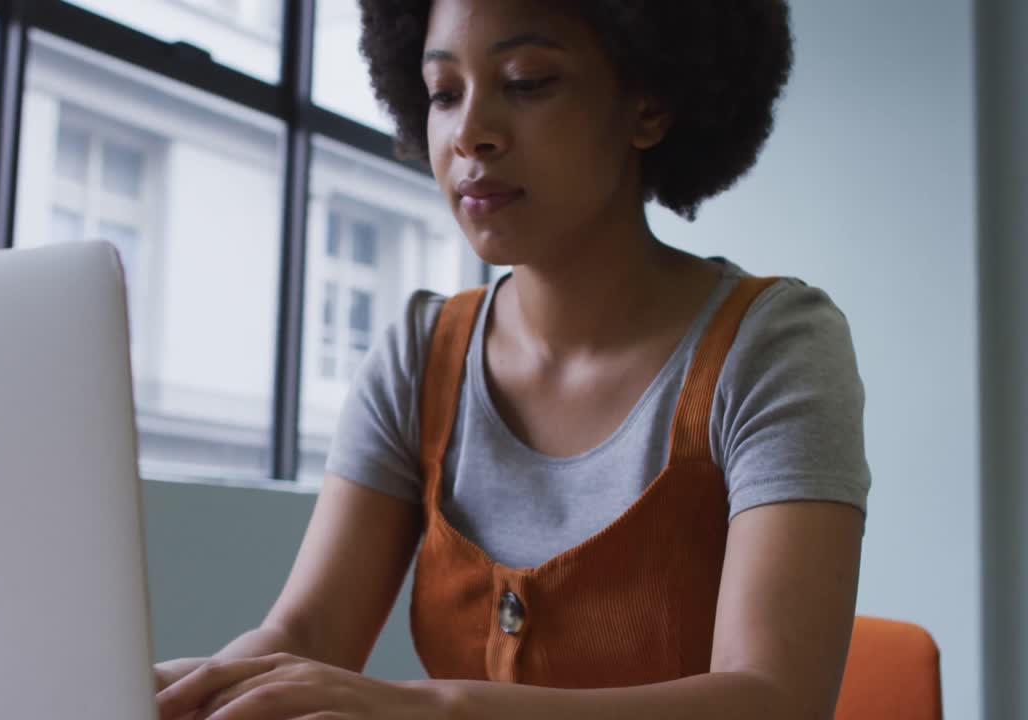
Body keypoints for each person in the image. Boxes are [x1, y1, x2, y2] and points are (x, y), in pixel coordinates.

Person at [155, 0, 870, 717]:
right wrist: (183, 694)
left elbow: (776, 700)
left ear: (648, 106)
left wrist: (433, 710)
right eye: (443, 92)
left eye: (527, 81)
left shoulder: (773, 347)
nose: (470, 133)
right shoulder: (419, 355)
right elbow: (305, 635)